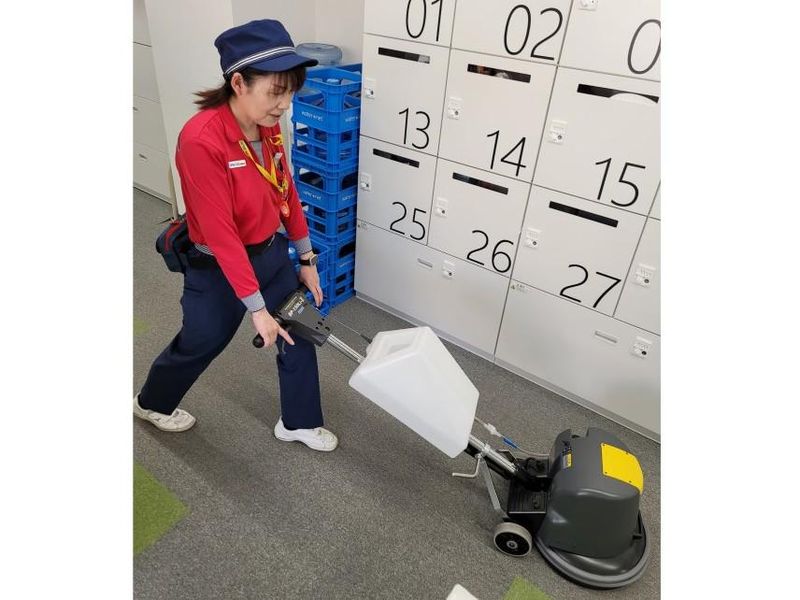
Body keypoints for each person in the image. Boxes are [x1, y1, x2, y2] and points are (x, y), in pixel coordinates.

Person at [134, 19, 338, 452]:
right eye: (276, 91)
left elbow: (286, 191)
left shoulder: (268, 125)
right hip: (217, 267)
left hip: (270, 254)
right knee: (202, 341)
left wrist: (306, 259)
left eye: (290, 92)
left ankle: (299, 422)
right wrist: (257, 309)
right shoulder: (201, 140)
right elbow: (223, 235)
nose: (284, 104)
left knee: (297, 328)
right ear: (239, 82)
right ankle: (151, 402)